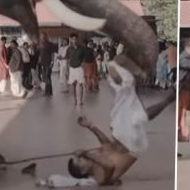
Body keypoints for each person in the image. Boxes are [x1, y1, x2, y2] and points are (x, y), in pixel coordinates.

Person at [37, 57, 176, 188]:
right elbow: (109, 166)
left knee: (127, 102)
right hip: (133, 147)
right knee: (138, 114)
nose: (82, 159)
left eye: (80, 159)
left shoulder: (96, 159)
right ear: (82, 170)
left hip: (124, 143)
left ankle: (133, 78)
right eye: (80, 161)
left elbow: (106, 144)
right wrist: (86, 154)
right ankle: (168, 98)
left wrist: (91, 127)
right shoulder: (99, 177)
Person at [68, 34, 88, 106]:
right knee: (72, 84)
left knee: (80, 84)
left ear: (77, 39)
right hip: (72, 68)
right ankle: (74, 100)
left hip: (79, 68)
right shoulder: (69, 49)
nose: (74, 40)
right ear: (70, 40)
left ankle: (81, 100)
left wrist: (83, 63)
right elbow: (67, 58)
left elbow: (85, 57)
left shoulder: (82, 48)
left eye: (76, 39)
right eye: (73, 39)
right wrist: (68, 69)